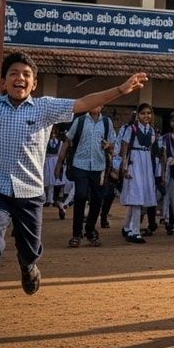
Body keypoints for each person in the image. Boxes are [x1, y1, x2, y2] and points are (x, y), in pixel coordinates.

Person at [0, 13, 146, 347]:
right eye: (13, 74)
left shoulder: (44, 108)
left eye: (26, 75)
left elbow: (85, 103)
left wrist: (120, 88)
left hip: (29, 195)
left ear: (34, 83)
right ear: (3, 83)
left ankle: (29, 266)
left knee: (29, 250)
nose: (19, 78)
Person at [55, 103, 116, 248]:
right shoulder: (80, 121)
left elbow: (113, 145)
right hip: (80, 164)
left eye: (98, 103)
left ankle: (90, 230)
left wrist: (108, 146)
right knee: (80, 196)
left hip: (99, 166)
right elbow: (67, 140)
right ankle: (76, 234)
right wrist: (59, 163)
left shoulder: (107, 122)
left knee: (97, 200)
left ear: (102, 106)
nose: (95, 106)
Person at [118, 103, 159, 243]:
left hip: (146, 162)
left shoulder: (152, 130)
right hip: (134, 161)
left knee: (139, 196)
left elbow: (152, 149)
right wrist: (124, 166)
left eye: (149, 113)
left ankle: (127, 227)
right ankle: (135, 231)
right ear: (138, 115)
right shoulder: (131, 129)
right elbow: (124, 148)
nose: (146, 116)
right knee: (136, 196)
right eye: (143, 113)